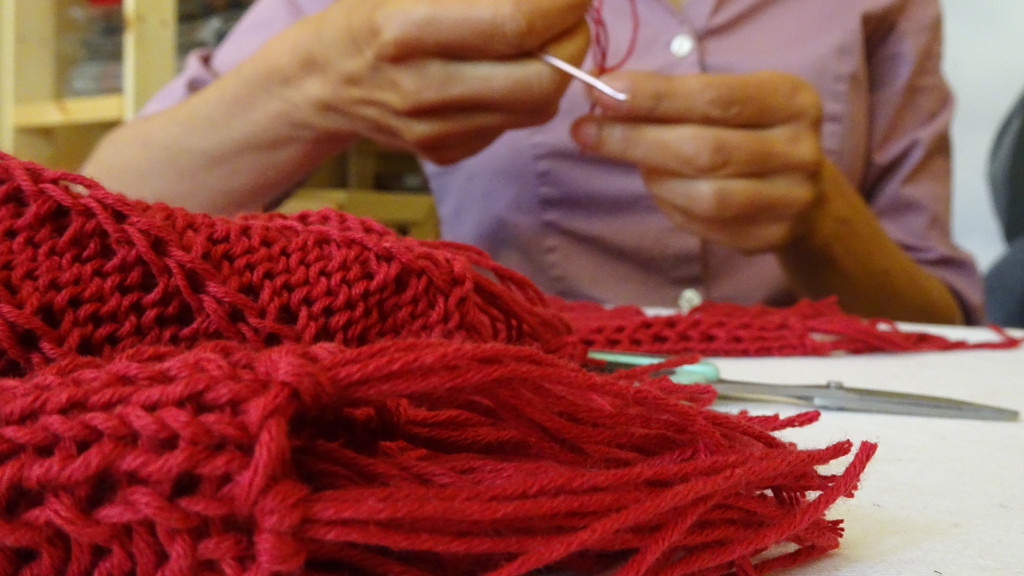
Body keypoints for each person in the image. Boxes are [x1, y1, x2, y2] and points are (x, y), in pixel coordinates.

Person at [80, 0, 984, 325]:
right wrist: (316, 79)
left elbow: (948, 320)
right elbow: (82, 222)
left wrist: (822, 222)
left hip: (846, 453)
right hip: (517, 443)